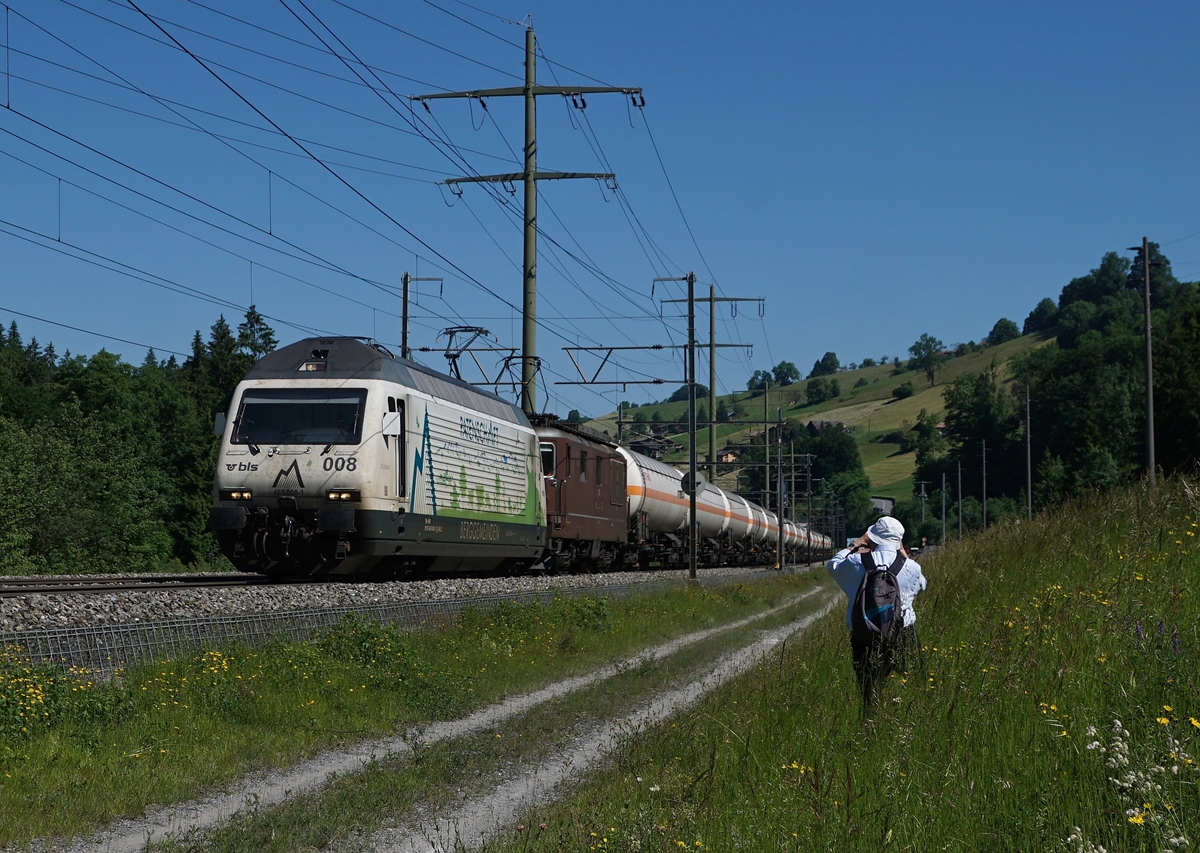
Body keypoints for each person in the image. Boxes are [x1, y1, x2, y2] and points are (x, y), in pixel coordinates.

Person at [826, 516, 927, 710]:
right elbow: (922, 584)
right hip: (902, 633)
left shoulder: (855, 562)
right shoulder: (912, 568)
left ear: (872, 538)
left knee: (869, 694)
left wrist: (855, 544)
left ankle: (871, 726)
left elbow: (833, 566)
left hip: (864, 635)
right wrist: (903, 555)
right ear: (899, 541)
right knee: (916, 685)